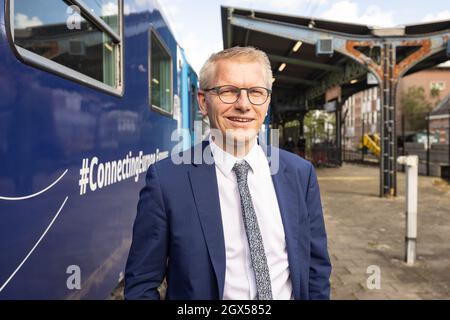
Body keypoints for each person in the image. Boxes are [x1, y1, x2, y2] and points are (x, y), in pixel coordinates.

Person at [124, 46, 331, 300]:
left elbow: (316, 269)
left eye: (256, 92)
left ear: (266, 101)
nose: (243, 105)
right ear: (203, 101)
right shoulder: (166, 180)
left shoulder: (301, 174)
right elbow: (141, 285)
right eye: (228, 92)